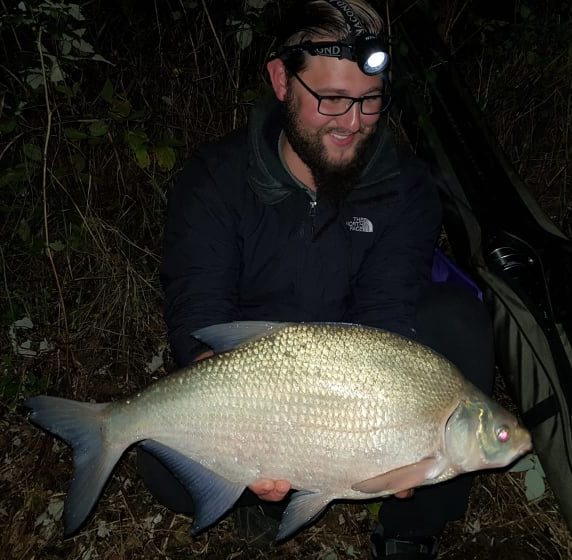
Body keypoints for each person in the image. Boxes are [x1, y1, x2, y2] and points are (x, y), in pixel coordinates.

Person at [138, 1, 495, 558]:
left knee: (457, 319)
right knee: (163, 466)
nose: (353, 122)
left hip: (350, 379)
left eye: (370, 100)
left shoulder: (406, 187)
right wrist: (235, 437)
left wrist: (394, 443)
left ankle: (408, 528)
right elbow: (200, 314)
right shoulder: (214, 178)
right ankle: (258, 493)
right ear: (282, 80)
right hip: (256, 376)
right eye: (331, 99)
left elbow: (387, 317)